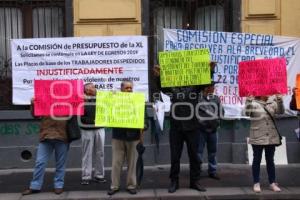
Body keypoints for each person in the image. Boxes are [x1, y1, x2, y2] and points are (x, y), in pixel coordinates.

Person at [153, 65, 206, 193]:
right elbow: (162, 87)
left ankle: (195, 181)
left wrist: (210, 69)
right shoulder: (172, 88)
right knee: (175, 156)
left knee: (194, 156)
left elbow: (205, 81)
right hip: (176, 127)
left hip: (192, 127)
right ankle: (174, 181)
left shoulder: (195, 86)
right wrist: (158, 75)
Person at [22, 98, 69, 195]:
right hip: (46, 136)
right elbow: (35, 115)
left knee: (60, 163)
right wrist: (33, 103)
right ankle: (35, 186)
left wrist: (83, 100)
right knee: (40, 162)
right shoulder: (45, 102)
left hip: (62, 136)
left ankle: (58, 185)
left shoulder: (67, 102)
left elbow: (80, 112)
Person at [107, 81, 146, 195]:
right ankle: (114, 186)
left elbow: (145, 118)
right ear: (121, 89)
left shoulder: (138, 101)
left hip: (134, 137)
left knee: (132, 163)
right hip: (118, 136)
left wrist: (145, 125)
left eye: (130, 88)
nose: (129, 89)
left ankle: (131, 185)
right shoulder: (114, 101)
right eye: (127, 88)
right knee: (116, 163)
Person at [244, 95, 284, 193]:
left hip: (271, 136)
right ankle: (256, 182)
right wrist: (248, 101)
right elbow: (247, 113)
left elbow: (281, 112)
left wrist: (280, 100)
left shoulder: (273, 101)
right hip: (257, 136)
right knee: (257, 159)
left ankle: (272, 183)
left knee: (270, 160)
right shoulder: (252, 102)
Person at [80, 83, 106, 185]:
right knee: (87, 153)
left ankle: (99, 175)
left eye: (93, 87)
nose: (91, 89)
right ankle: (86, 176)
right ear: (85, 90)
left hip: (99, 128)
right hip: (86, 128)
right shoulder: (81, 99)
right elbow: (79, 114)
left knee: (100, 152)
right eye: (89, 88)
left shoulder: (101, 98)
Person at [197, 82, 223, 180]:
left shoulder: (216, 99)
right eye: (212, 86)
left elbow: (221, 112)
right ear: (206, 88)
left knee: (213, 151)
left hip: (213, 129)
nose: (213, 88)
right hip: (201, 130)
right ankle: (197, 170)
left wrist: (217, 122)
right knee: (199, 152)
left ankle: (212, 170)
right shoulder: (198, 99)